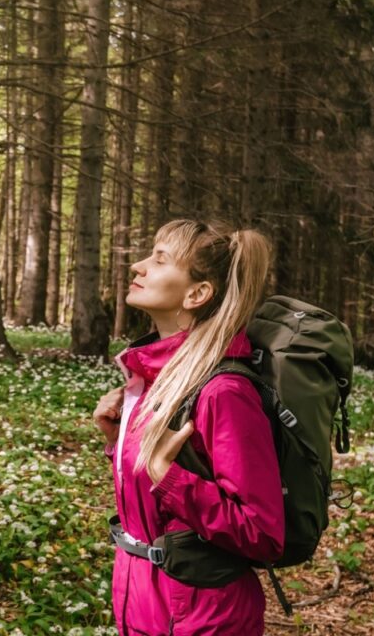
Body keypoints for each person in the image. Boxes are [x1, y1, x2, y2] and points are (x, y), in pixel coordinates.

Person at [92, 219, 285, 636]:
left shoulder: (224, 391)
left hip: (203, 615)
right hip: (144, 599)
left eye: (159, 260)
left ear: (197, 294)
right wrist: (118, 443)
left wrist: (170, 478)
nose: (137, 268)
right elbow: (156, 506)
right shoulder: (155, 378)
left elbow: (262, 531)